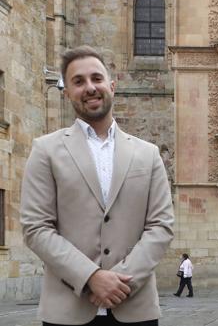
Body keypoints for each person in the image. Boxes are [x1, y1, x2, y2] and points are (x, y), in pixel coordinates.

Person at [20, 45, 174, 326]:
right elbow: (36, 227)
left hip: (135, 308)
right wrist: (91, 277)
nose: (90, 87)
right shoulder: (45, 150)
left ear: (112, 85)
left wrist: (121, 282)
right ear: (67, 92)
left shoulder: (147, 154)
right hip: (67, 312)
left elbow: (161, 226)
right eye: (78, 82)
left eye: (97, 78)